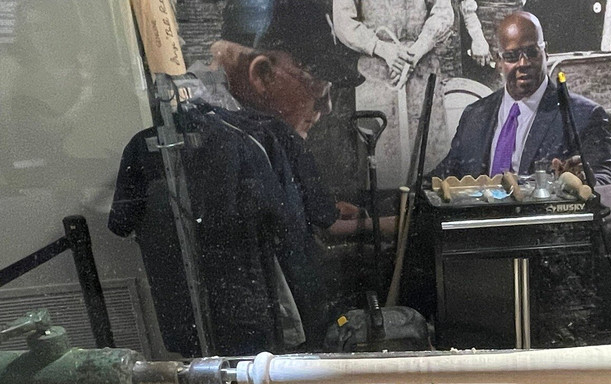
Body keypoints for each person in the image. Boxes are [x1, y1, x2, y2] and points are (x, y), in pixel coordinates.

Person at [109, 0, 364, 355]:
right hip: (254, 328)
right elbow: (312, 224)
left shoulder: (154, 139)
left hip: (192, 324)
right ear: (262, 73)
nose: (327, 107)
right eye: (318, 88)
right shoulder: (260, 140)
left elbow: (121, 223)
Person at [432, 11, 611, 185]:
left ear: (545, 52)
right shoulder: (475, 115)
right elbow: (443, 177)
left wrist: (583, 181)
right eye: (512, 56)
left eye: (532, 52)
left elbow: (605, 180)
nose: (523, 63)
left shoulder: (583, 115)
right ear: (499, 61)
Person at [333, 0, 454, 187]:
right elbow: (343, 21)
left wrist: (416, 51)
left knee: (428, 164)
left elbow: (442, 11)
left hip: (421, 68)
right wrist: (382, 48)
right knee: (379, 165)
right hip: (376, 72)